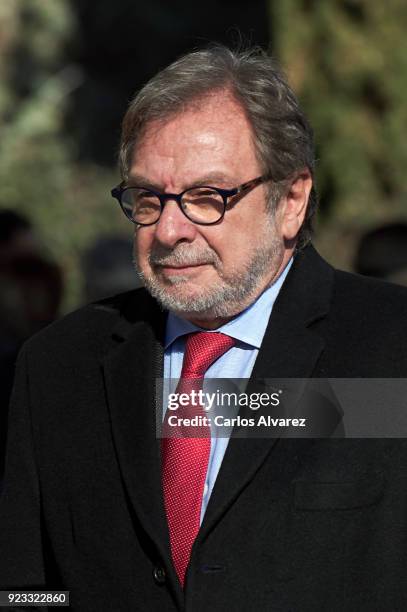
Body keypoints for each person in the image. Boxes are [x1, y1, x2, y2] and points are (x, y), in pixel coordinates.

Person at [1, 45, 407, 612]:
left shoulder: (391, 349)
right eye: (149, 198)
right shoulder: (60, 366)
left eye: (205, 197)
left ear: (291, 200)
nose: (169, 229)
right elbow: (24, 588)